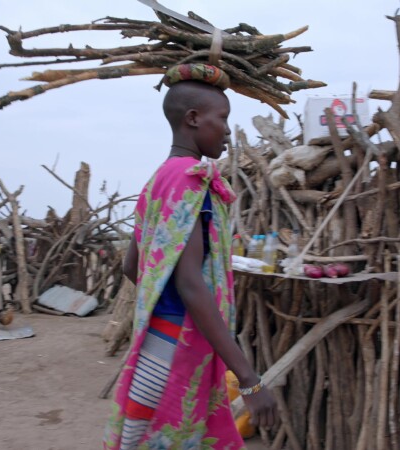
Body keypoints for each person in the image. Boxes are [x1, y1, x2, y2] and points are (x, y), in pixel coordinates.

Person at [103, 64, 278, 449]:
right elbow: (190, 284)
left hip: (154, 346)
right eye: (224, 118)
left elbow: (133, 266)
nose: (229, 130)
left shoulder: (159, 179)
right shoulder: (190, 181)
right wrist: (249, 379)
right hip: (174, 357)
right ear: (194, 119)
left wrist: (163, 306)